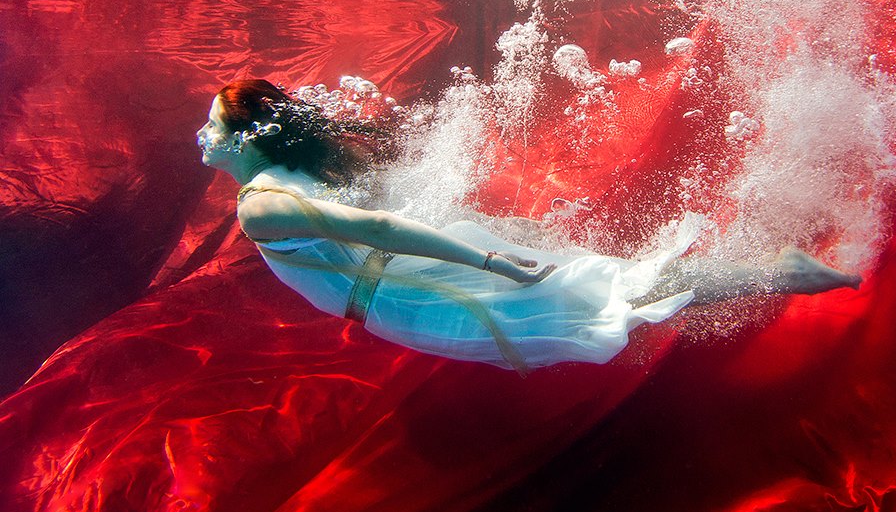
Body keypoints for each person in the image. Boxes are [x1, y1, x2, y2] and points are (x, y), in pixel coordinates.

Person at [198, 79, 860, 373]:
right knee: (609, 292)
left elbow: (376, 226)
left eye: (212, 125)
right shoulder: (302, 177)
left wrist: (489, 261)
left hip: (425, 294)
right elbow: (388, 218)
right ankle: (771, 272)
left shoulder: (260, 203)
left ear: (243, 141)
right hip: (425, 279)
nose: (202, 135)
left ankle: (779, 272)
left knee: (609, 301)